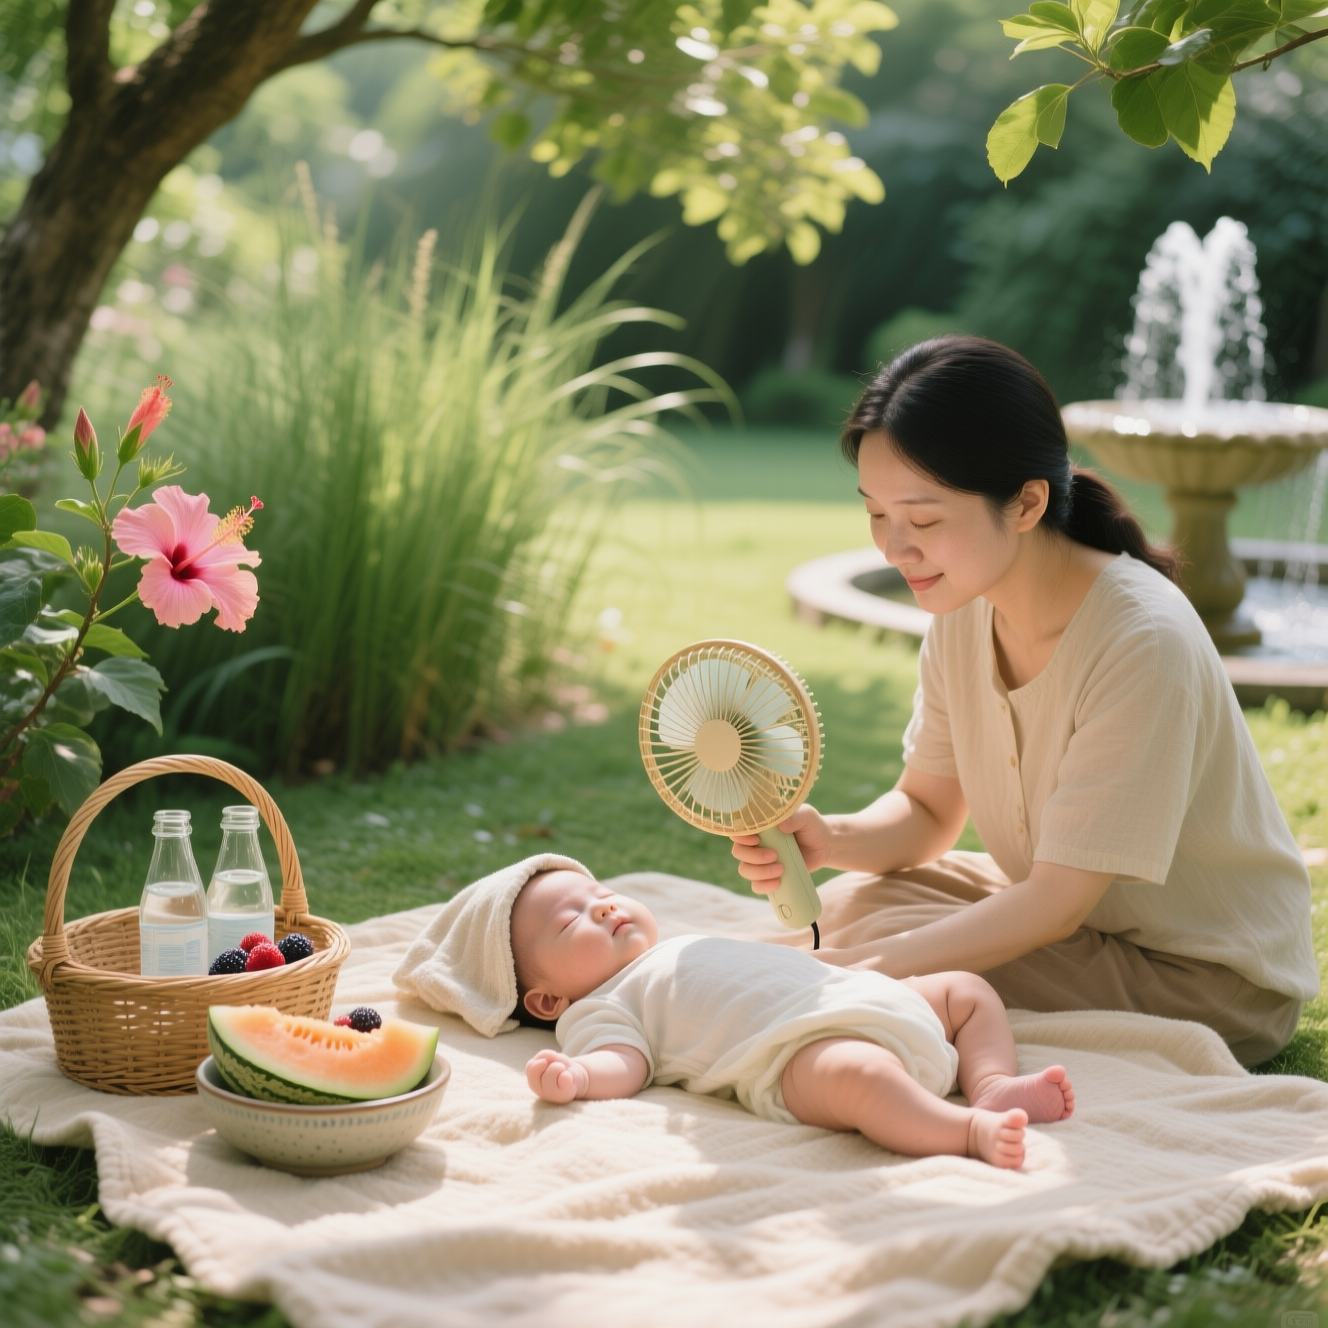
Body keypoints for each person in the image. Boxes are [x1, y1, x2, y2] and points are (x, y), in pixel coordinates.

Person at [731, 336, 1318, 1067]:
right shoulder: (962, 609)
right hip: (1076, 917)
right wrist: (832, 837)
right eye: (877, 513)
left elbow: (1054, 903)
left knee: (876, 960)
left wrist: (856, 974)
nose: (894, 547)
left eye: (925, 518)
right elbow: (927, 814)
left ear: (1027, 503)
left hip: (1203, 977)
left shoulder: (1141, 640)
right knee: (861, 902)